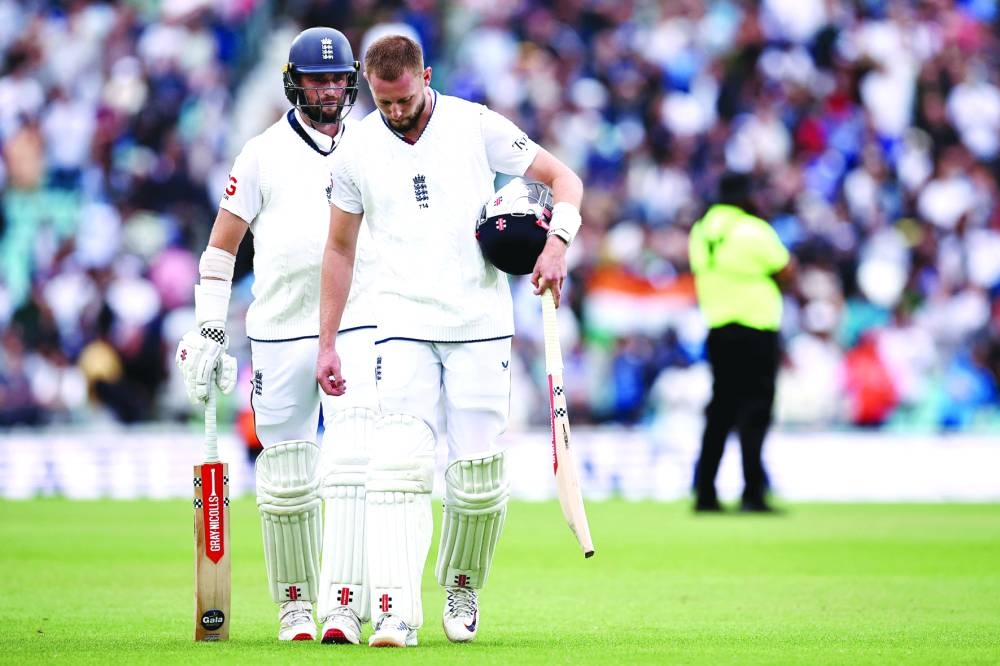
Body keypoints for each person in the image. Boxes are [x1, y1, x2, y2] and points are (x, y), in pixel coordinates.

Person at [316, 34, 584, 648]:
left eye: (404, 99)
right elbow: (338, 248)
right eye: (383, 103)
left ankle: (461, 586)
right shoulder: (356, 147)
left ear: (426, 76)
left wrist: (557, 243)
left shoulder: (473, 124)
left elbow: (563, 180)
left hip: (479, 323)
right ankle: (393, 613)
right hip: (401, 324)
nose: (395, 112)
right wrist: (327, 343)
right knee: (398, 470)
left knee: (479, 481)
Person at [174, 26, 380, 643]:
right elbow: (219, 252)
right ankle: (295, 606)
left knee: (352, 468)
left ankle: (345, 603)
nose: (330, 89)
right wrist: (210, 330)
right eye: (318, 79)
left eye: (339, 78)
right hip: (280, 331)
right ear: (294, 83)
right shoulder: (261, 152)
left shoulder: (371, 146)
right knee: (287, 479)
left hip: (358, 326)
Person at [687, 171, 796, 513]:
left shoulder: (701, 231)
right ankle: (753, 492)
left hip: (718, 327)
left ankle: (705, 491)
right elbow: (787, 271)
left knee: (720, 410)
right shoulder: (754, 230)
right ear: (745, 196)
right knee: (755, 411)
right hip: (756, 328)